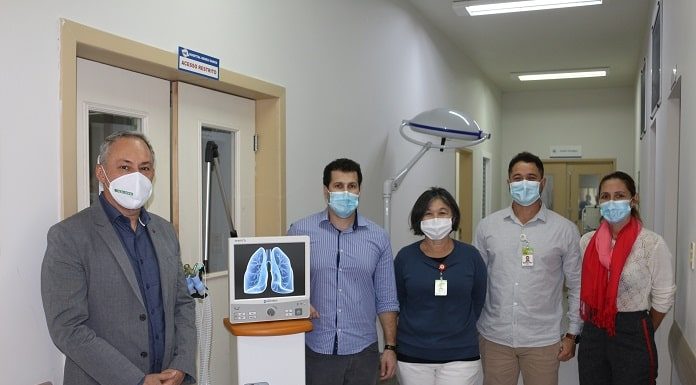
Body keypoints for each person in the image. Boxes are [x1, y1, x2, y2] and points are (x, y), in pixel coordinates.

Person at [41, 131, 197, 385]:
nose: (137, 176)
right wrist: (135, 380)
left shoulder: (165, 231)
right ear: (101, 173)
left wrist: (181, 365)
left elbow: (183, 305)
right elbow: (67, 328)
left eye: (144, 168)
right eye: (125, 167)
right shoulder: (69, 236)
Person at [287, 158, 399, 385]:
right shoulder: (300, 232)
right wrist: (298, 301)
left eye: (352, 186)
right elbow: (286, 287)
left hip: (363, 351)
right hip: (316, 348)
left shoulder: (378, 237)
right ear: (326, 190)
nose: (346, 192)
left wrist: (389, 347)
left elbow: (387, 299)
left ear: (359, 190)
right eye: (339, 186)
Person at [474, 151, 582, 385]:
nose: (524, 183)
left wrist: (573, 333)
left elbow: (577, 285)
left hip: (542, 340)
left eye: (531, 177)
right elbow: (476, 281)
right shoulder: (487, 227)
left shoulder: (564, 230)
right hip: (495, 337)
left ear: (542, 183)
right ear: (509, 182)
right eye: (517, 177)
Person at [578, 171, 675, 385]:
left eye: (619, 195)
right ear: (599, 201)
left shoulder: (651, 243)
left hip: (633, 331)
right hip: (593, 331)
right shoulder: (587, 242)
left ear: (633, 199)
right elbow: (581, 288)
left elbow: (664, 295)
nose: (612, 202)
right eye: (605, 196)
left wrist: (644, 328)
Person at [394, 187, 487, 385]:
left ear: (453, 217)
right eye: (428, 213)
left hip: (461, 354)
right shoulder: (405, 257)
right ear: (419, 219)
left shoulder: (471, 256)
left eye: (442, 213)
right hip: (413, 355)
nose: (435, 219)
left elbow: (478, 299)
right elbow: (398, 301)